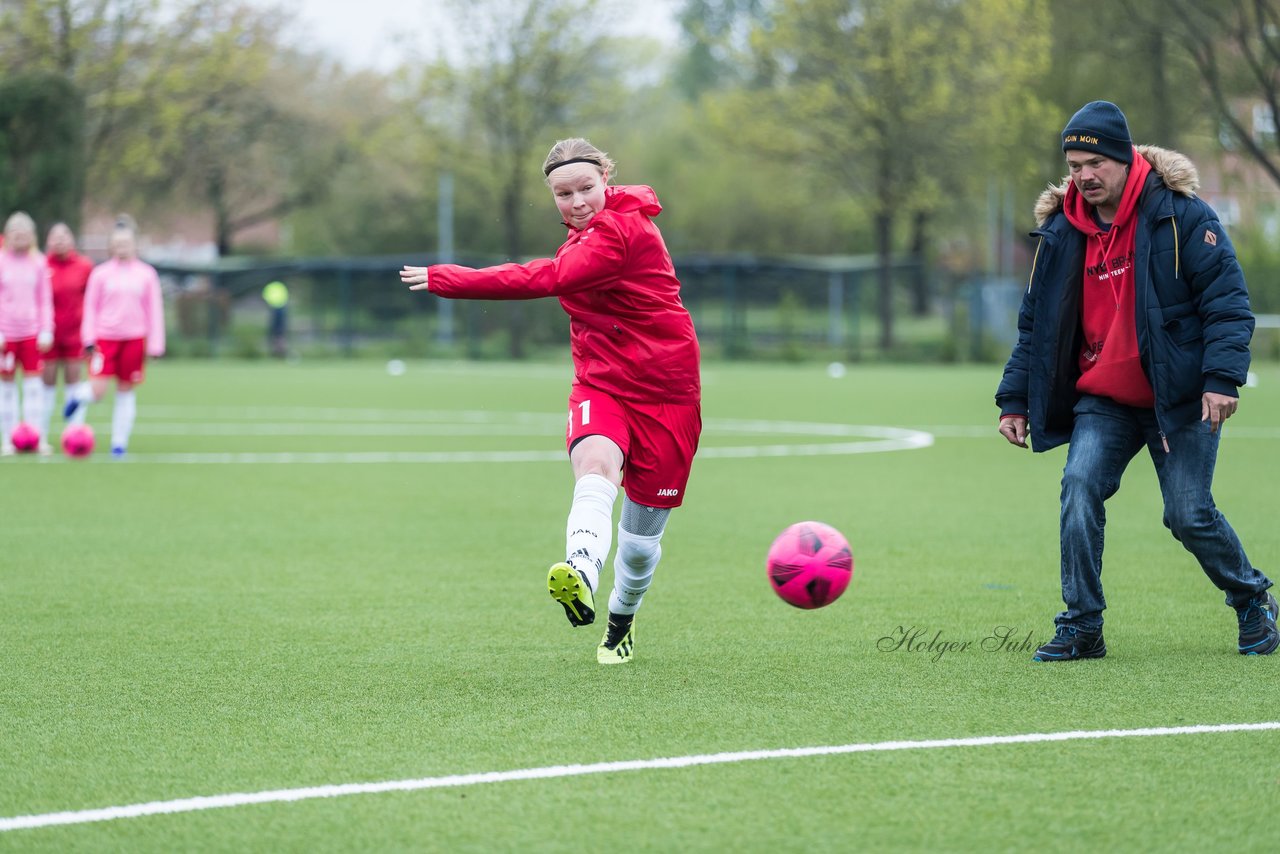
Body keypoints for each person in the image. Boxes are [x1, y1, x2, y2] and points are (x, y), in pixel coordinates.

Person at [400, 138, 702, 664]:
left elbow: (548, 278)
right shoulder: (582, 234)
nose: (577, 201)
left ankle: (620, 622)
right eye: (564, 193)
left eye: (587, 187)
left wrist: (452, 279)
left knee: (639, 544)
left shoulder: (623, 231)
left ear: (606, 179)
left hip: (666, 392)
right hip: (601, 381)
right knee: (595, 462)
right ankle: (580, 569)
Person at [996, 101, 1275, 661]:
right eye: (1074, 165)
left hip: (1180, 397)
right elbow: (1037, 324)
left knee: (1187, 514)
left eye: (1094, 162)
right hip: (1103, 399)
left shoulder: (1182, 216)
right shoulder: (1059, 231)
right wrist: (1014, 398)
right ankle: (1082, 625)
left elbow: (1228, 304)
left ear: (1123, 159)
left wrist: (1222, 377)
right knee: (1078, 489)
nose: (1084, 175)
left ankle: (1251, 600)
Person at [63, 217, 165, 458]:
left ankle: (119, 444)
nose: (122, 247)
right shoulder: (100, 274)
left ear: (135, 245)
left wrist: (156, 345)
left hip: (134, 339)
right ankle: (79, 396)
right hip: (105, 339)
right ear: (111, 246)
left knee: (125, 390)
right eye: (118, 243)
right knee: (98, 391)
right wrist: (88, 338)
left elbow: (154, 310)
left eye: (127, 243)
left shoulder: (146, 274)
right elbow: (90, 308)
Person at [0, 211, 54, 455]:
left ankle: (37, 436)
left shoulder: (40, 263)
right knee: (6, 389)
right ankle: (8, 439)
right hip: (6, 336)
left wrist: (46, 330)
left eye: (24, 234)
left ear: (32, 236)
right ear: (8, 235)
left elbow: (45, 300)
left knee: (34, 388)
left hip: (32, 334)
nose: (19, 238)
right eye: (15, 233)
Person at [42, 222, 94, 445]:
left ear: (72, 240)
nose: (60, 240)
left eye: (64, 236)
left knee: (74, 380)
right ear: (48, 241)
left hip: (75, 335)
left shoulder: (84, 266)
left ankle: (76, 433)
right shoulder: (41, 266)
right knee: (47, 382)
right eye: (55, 237)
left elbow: (92, 301)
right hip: (48, 336)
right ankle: (40, 433)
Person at [262, 279, 289, 357]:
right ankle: (278, 352)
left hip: (276, 310)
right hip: (280, 310)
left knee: (277, 333)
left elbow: (266, 298)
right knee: (279, 333)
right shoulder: (281, 286)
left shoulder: (269, 287)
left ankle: (278, 352)